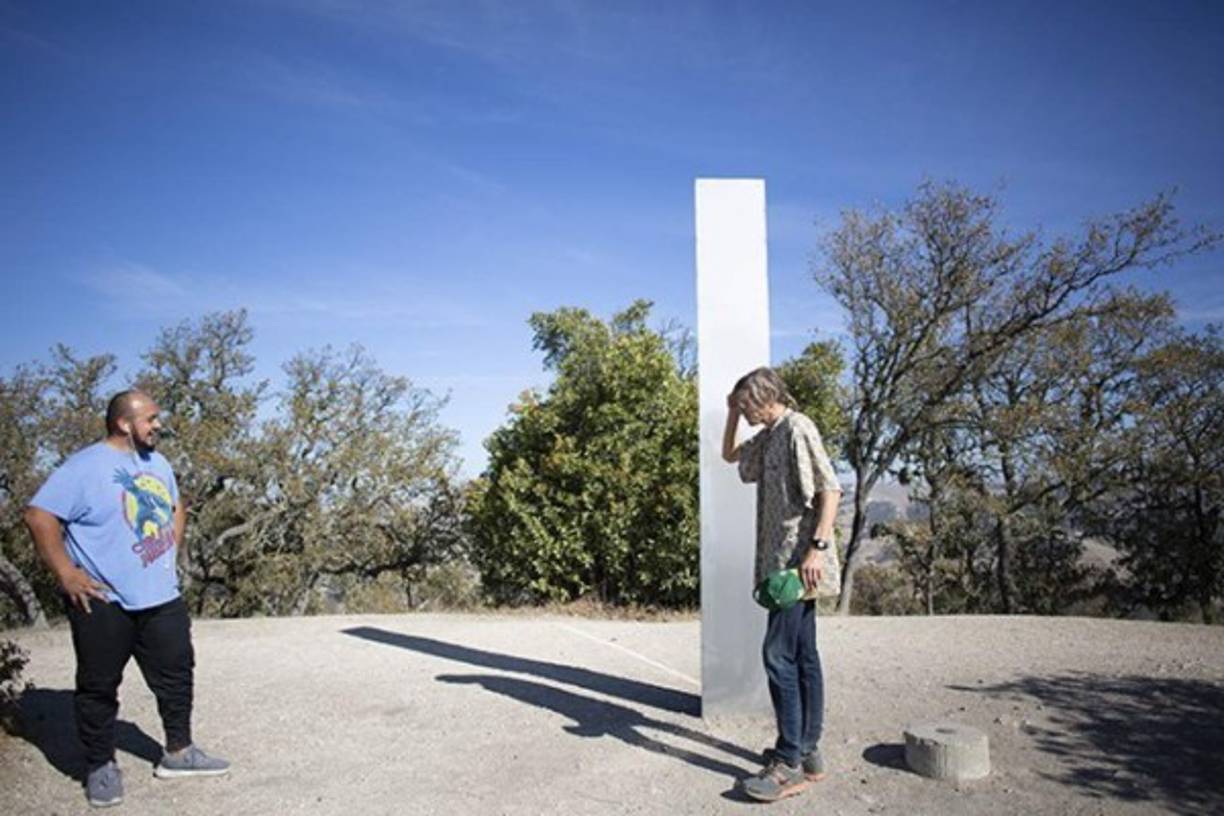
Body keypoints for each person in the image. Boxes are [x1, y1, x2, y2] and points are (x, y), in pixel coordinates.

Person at [24, 389, 229, 808]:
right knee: (99, 686)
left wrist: (168, 552)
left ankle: (179, 752)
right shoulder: (84, 467)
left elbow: (175, 505)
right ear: (123, 423)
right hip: (104, 600)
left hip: (160, 596)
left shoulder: (158, 462)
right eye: (150, 419)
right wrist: (66, 573)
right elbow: (38, 514)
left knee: (176, 675)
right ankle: (100, 766)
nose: (158, 425)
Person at [721, 367, 841, 803]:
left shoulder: (797, 428)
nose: (743, 412)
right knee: (803, 654)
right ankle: (808, 752)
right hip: (780, 565)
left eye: (745, 404)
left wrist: (817, 549)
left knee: (777, 655)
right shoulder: (770, 435)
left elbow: (830, 490)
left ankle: (789, 760)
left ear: (762, 396)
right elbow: (730, 455)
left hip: (797, 564)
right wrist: (731, 413)